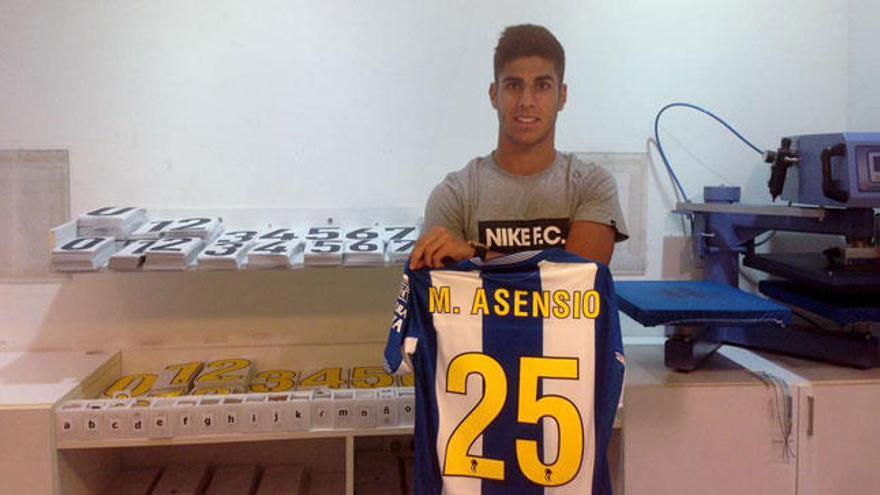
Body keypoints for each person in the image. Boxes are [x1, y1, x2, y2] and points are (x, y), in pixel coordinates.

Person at [410, 24, 628, 270]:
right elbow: (442, 297)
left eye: (542, 86)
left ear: (562, 96)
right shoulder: (454, 195)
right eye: (514, 86)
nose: (526, 101)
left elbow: (578, 285)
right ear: (494, 95)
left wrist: (475, 254)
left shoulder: (592, 185)